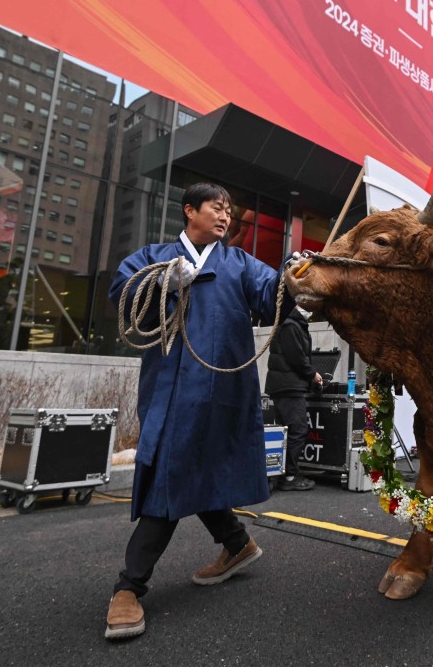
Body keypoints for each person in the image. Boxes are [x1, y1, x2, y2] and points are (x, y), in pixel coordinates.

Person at [105, 182, 293, 640]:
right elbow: (121, 294)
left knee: (199, 471)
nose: (226, 216)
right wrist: (163, 280)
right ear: (190, 210)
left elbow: (275, 295)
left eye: (230, 210)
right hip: (173, 391)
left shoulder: (240, 264)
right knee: (172, 473)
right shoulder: (154, 256)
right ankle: (130, 587)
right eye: (217, 207)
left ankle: (235, 545)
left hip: (226, 391)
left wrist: (295, 272)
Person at [265, 306, 323, 491]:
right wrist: (312, 374)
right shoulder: (291, 325)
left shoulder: (289, 322)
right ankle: (290, 476)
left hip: (284, 384)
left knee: (288, 430)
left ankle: (284, 473)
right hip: (288, 385)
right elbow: (296, 357)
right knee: (298, 428)